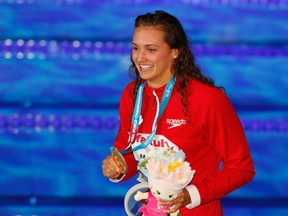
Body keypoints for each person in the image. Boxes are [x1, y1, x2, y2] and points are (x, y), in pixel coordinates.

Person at [102, 10, 255, 215]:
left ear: (175, 52)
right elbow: (128, 153)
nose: (140, 57)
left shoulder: (207, 100)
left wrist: (191, 194)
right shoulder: (131, 95)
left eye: (151, 49)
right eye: (136, 48)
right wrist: (117, 168)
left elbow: (241, 168)